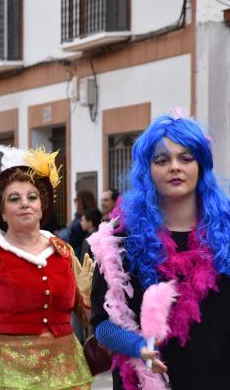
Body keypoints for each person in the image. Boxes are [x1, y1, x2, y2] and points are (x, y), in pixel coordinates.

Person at [89, 114, 230, 390]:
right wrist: (138, 346)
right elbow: (102, 325)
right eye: (162, 160)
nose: (174, 167)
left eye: (186, 158)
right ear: (148, 170)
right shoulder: (120, 240)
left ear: (201, 165)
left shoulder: (226, 235)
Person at [0, 145, 93, 390]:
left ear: (41, 206)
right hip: (3, 375)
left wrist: (89, 297)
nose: (25, 203)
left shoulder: (63, 252)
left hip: (63, 374)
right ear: (2, 213)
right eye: (14, 199)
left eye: (32, 197)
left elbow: (88, 319)